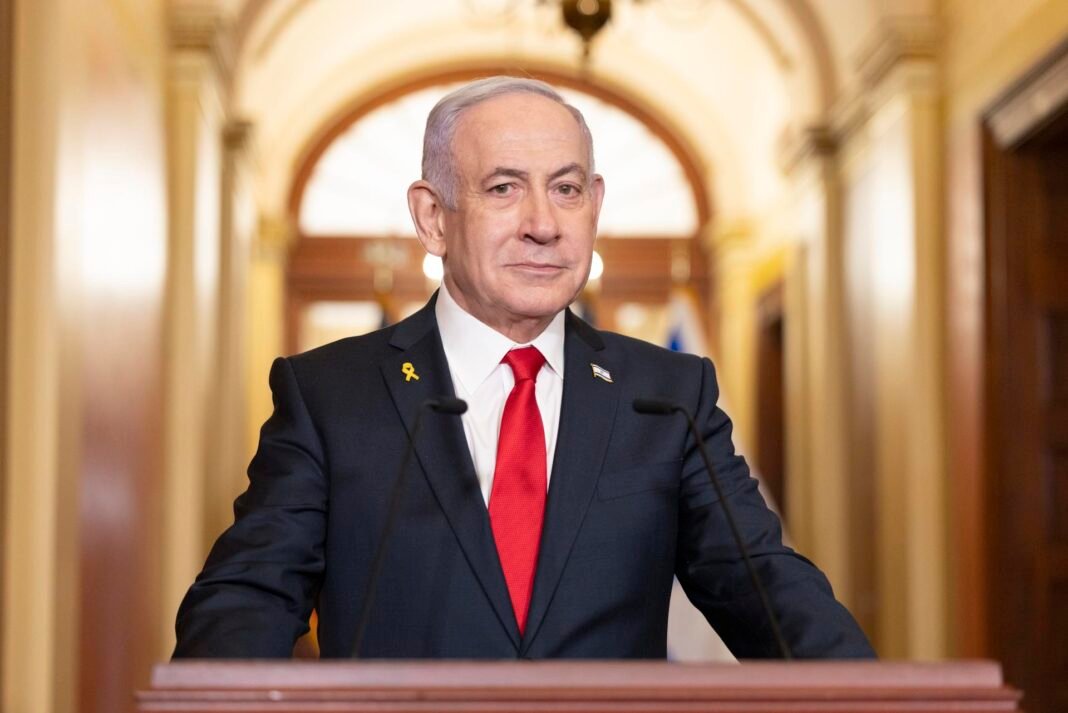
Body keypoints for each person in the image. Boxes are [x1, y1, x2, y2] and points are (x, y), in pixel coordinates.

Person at [173, 76, 874, 660]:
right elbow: (249, 599)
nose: (544, 223)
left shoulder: (667, 396)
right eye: (504, 188)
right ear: (433, 217)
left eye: (566, 190)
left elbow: (766, 588)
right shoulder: (331, 395)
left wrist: (876, 695)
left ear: (595, 206)